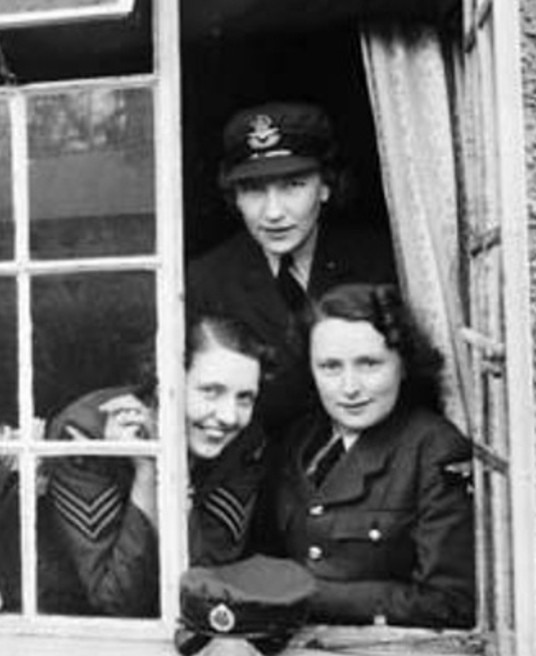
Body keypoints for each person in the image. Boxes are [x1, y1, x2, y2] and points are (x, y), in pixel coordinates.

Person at [37, 316, 272, 616]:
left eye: (245, 398)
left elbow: (208, 588)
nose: (228, 416)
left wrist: (170, 477)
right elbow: (117, 599)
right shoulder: (84, 433)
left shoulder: (245, 445)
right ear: (166, 383)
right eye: (211, 391)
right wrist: (147, 472)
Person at [272, 283, 474, 628]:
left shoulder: (434, 449)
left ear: (404, 364)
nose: (350, 387)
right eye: (330, 367)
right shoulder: (301, 439)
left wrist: (310, 596)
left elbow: (450, 602)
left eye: (368, 364)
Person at [187, 102, 398, 431]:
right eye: (254, 190)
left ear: (326, 186)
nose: (273, 212)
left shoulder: (381, 261)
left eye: (293, 185)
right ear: (235, 197)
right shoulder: (206, 281)